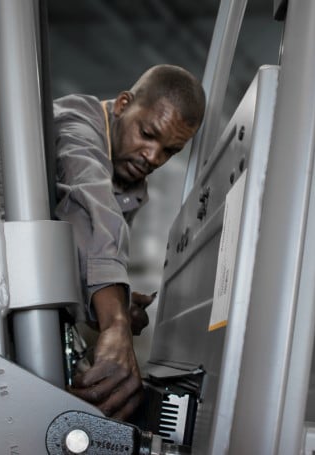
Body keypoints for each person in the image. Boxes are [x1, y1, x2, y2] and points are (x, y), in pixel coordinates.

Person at [53, 64, 205, 421]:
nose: (153, 157)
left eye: (169, 151)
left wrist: (112, 306)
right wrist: (115, 323)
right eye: (148, 134)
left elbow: (82, 255)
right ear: (123, 104)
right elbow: (90, 204)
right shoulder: (77, 124)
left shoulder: (131, 184)